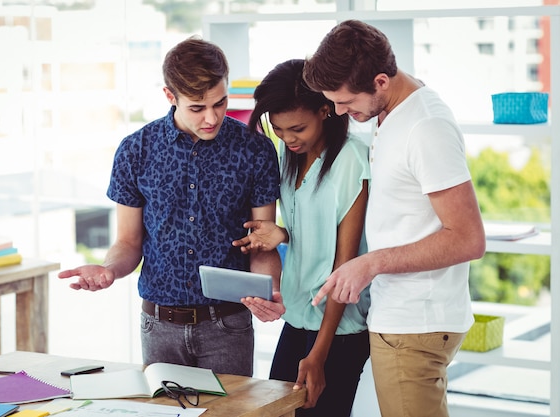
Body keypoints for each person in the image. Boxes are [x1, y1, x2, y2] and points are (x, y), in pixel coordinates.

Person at [57, 36, 282, 377]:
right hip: (158, 327)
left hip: (228, 326)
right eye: (197, 107)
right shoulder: (135, 151)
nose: (211, 117)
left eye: (220, 103)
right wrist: (109, 270)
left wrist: (270, 289)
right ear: (169, 96)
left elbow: (262, 244)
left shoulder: (256, 149)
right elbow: (128, 242)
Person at [303, 20, 487, 417]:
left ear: (381, 81)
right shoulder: (394, 109)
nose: (338, 111)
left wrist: (372, 262)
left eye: (345, 101)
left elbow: (468, 238)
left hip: (416, 324)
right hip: (403, 317)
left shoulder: (425, 127)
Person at [232, 59, 370, 416]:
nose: (288, 138)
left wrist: (318, 355)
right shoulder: (290, 155)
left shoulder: (352, 160)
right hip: (297, 317)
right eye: (278, 130)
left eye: (297, 128)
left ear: (326, 110)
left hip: (338, 328)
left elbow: (345, 265)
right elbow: (313, 223)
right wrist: (282, 233)